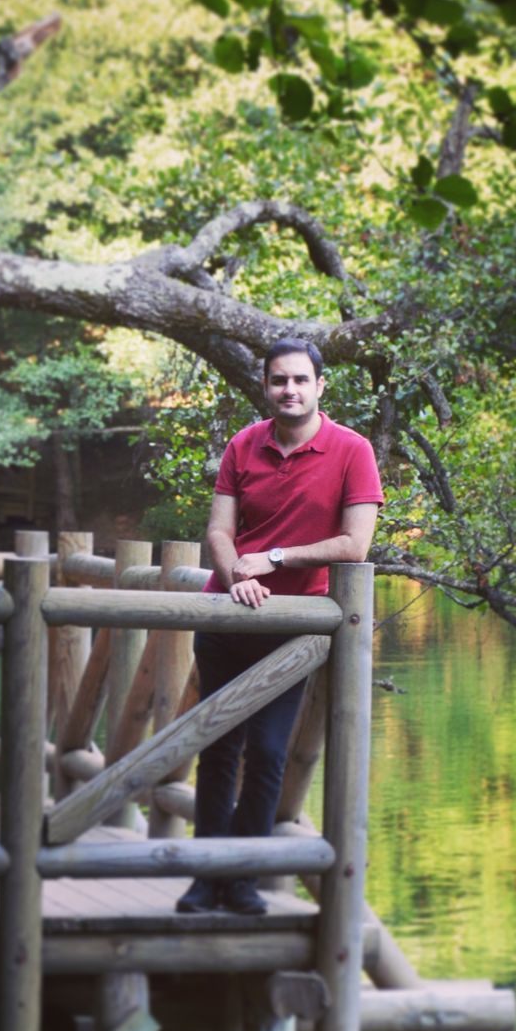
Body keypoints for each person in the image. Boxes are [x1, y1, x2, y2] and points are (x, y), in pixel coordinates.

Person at [175, 337, 383, 916]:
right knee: (216, 749)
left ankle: (242, 878)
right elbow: (219, 531)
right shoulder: (243, 444)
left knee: (267, 753)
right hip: (226, 616)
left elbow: (355, 544)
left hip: (292, 629)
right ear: (265, 387)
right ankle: (202, 878)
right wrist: (234, 573)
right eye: (277, 381)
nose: (288, 390)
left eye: (299, 380)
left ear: (320, 386)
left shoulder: (352, 450)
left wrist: (273, 559)